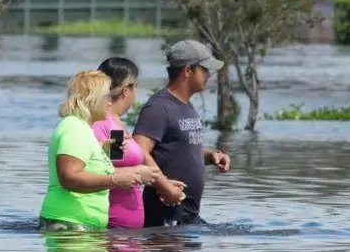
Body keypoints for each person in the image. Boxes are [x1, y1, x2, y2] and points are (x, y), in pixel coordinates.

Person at [39, 70, 161, 231]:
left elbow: (84, 163)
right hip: (70, 224)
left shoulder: (83, 128)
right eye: (107, 96)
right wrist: (115, 180)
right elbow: (68, 178)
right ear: (92, 99)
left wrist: (102, 149)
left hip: (80, 225)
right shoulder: (74, 127)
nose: (110, 102)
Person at [132, 39, 231, 227]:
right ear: (187, 71)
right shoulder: (159, 107)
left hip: (186, 214)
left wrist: (210, 156)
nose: (209, 75)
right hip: (165, 216)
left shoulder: (186, 105)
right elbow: (139, 150)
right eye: (204, 69)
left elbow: (178, 150)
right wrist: (165, 187)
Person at [91, 57, 186, 228]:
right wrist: (143, 176)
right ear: (126, 90)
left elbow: (117, 165)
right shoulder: (104, 123)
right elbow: (97, 169)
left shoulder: (117, 124)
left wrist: (158, 182)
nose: (135, 92)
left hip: (127, 232)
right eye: (135, 87)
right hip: (114, 228)